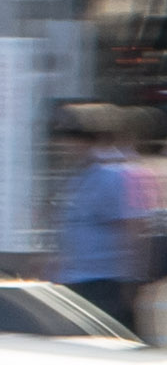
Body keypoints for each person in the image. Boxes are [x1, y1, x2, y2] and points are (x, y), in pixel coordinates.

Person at [49, 106, 149, 338]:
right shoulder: (77, 177)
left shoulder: (110, 176)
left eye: (70, 138)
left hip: (105, 284)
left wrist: (131, 283)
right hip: (75, 282)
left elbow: (133, 230)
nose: (62, 145)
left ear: (89, 140)